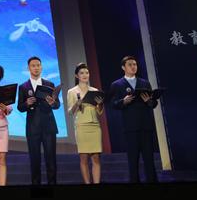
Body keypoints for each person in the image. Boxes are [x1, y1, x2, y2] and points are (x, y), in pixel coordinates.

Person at [109, 55, 158, 183]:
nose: (133, 67)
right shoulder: (117, 84)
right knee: (133, 159)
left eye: (135, 64)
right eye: (130, 64)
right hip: (130, 128)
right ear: (123, 67)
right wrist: (123, 101)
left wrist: (149, 101)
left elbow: (153, 103)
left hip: (146, 126)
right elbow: (112, 104)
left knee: (149, 159)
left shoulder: (144, 82)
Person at [17, 56, 60, 185]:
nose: (36, 68)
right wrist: (27, 103)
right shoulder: (23, 87)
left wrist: (52, 103)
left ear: (41, 67)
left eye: (38, 65)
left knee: (51, 159)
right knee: (35, 160)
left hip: (49, 127)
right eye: (33, 66)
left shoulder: (49, 84)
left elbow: (57, 105)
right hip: (32, 128)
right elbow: (20, 107)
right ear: (28, 68)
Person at [67, 63, 104, 184]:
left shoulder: (95, 91)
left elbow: (99, 112)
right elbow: (70, 112)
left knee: (96, 158)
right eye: (82, 73)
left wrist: (100, 104)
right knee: (83, 158)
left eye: (87, 73)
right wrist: (77, 104)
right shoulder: (72, 91)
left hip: (95, 126)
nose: (85, 75)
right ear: (77, 76)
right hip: (81, 126)